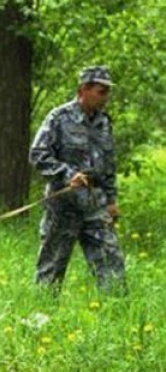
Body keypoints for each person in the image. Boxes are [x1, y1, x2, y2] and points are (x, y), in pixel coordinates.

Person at [30, 65, 126, 293]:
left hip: (95, 205)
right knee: (51, 271)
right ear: (84, 89)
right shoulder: (59, 118)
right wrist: (67, 174)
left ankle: (117, 318)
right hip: (64, 206)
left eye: (107, 92)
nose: (106, 97)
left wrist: (111, 200)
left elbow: (108, 164)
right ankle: (39, 323)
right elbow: (38, 154)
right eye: (101, 91)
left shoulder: (104, 122)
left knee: (112, 263)